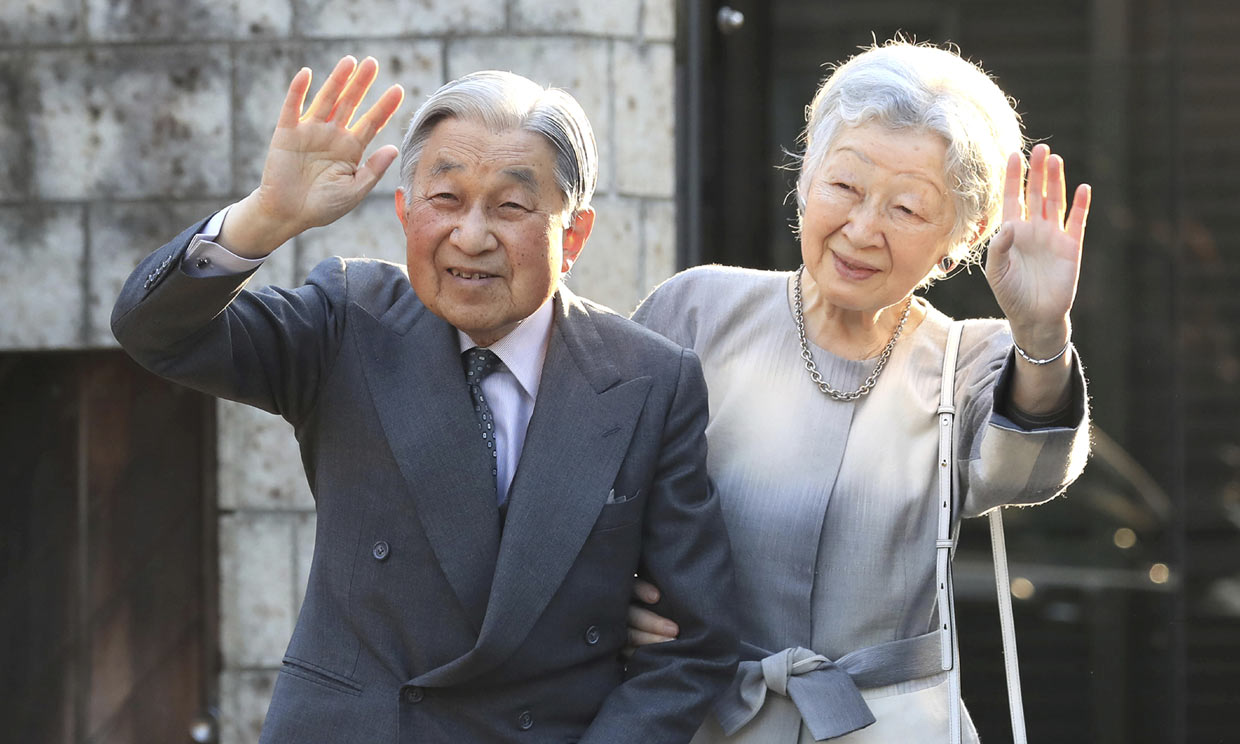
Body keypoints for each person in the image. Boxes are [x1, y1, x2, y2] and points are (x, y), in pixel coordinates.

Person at [112, 56, 737, 743]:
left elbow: (691, 645)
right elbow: (156, 333)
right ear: (407, 212)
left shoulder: (649, 379)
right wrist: (265, 217)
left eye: (511, 205)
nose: (471, 236)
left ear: (573, 237)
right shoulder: (349, 321)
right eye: (446, 199)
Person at [628, 40, 1092, 743]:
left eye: (906, 208)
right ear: (807, 178)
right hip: (700, 718)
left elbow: (1029, 470)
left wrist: (1041, 334)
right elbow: (594, 497)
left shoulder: (970, 359)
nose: (862, 228)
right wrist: (605, 600)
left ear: (960, 238)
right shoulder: (697, 312)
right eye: (844, 186)